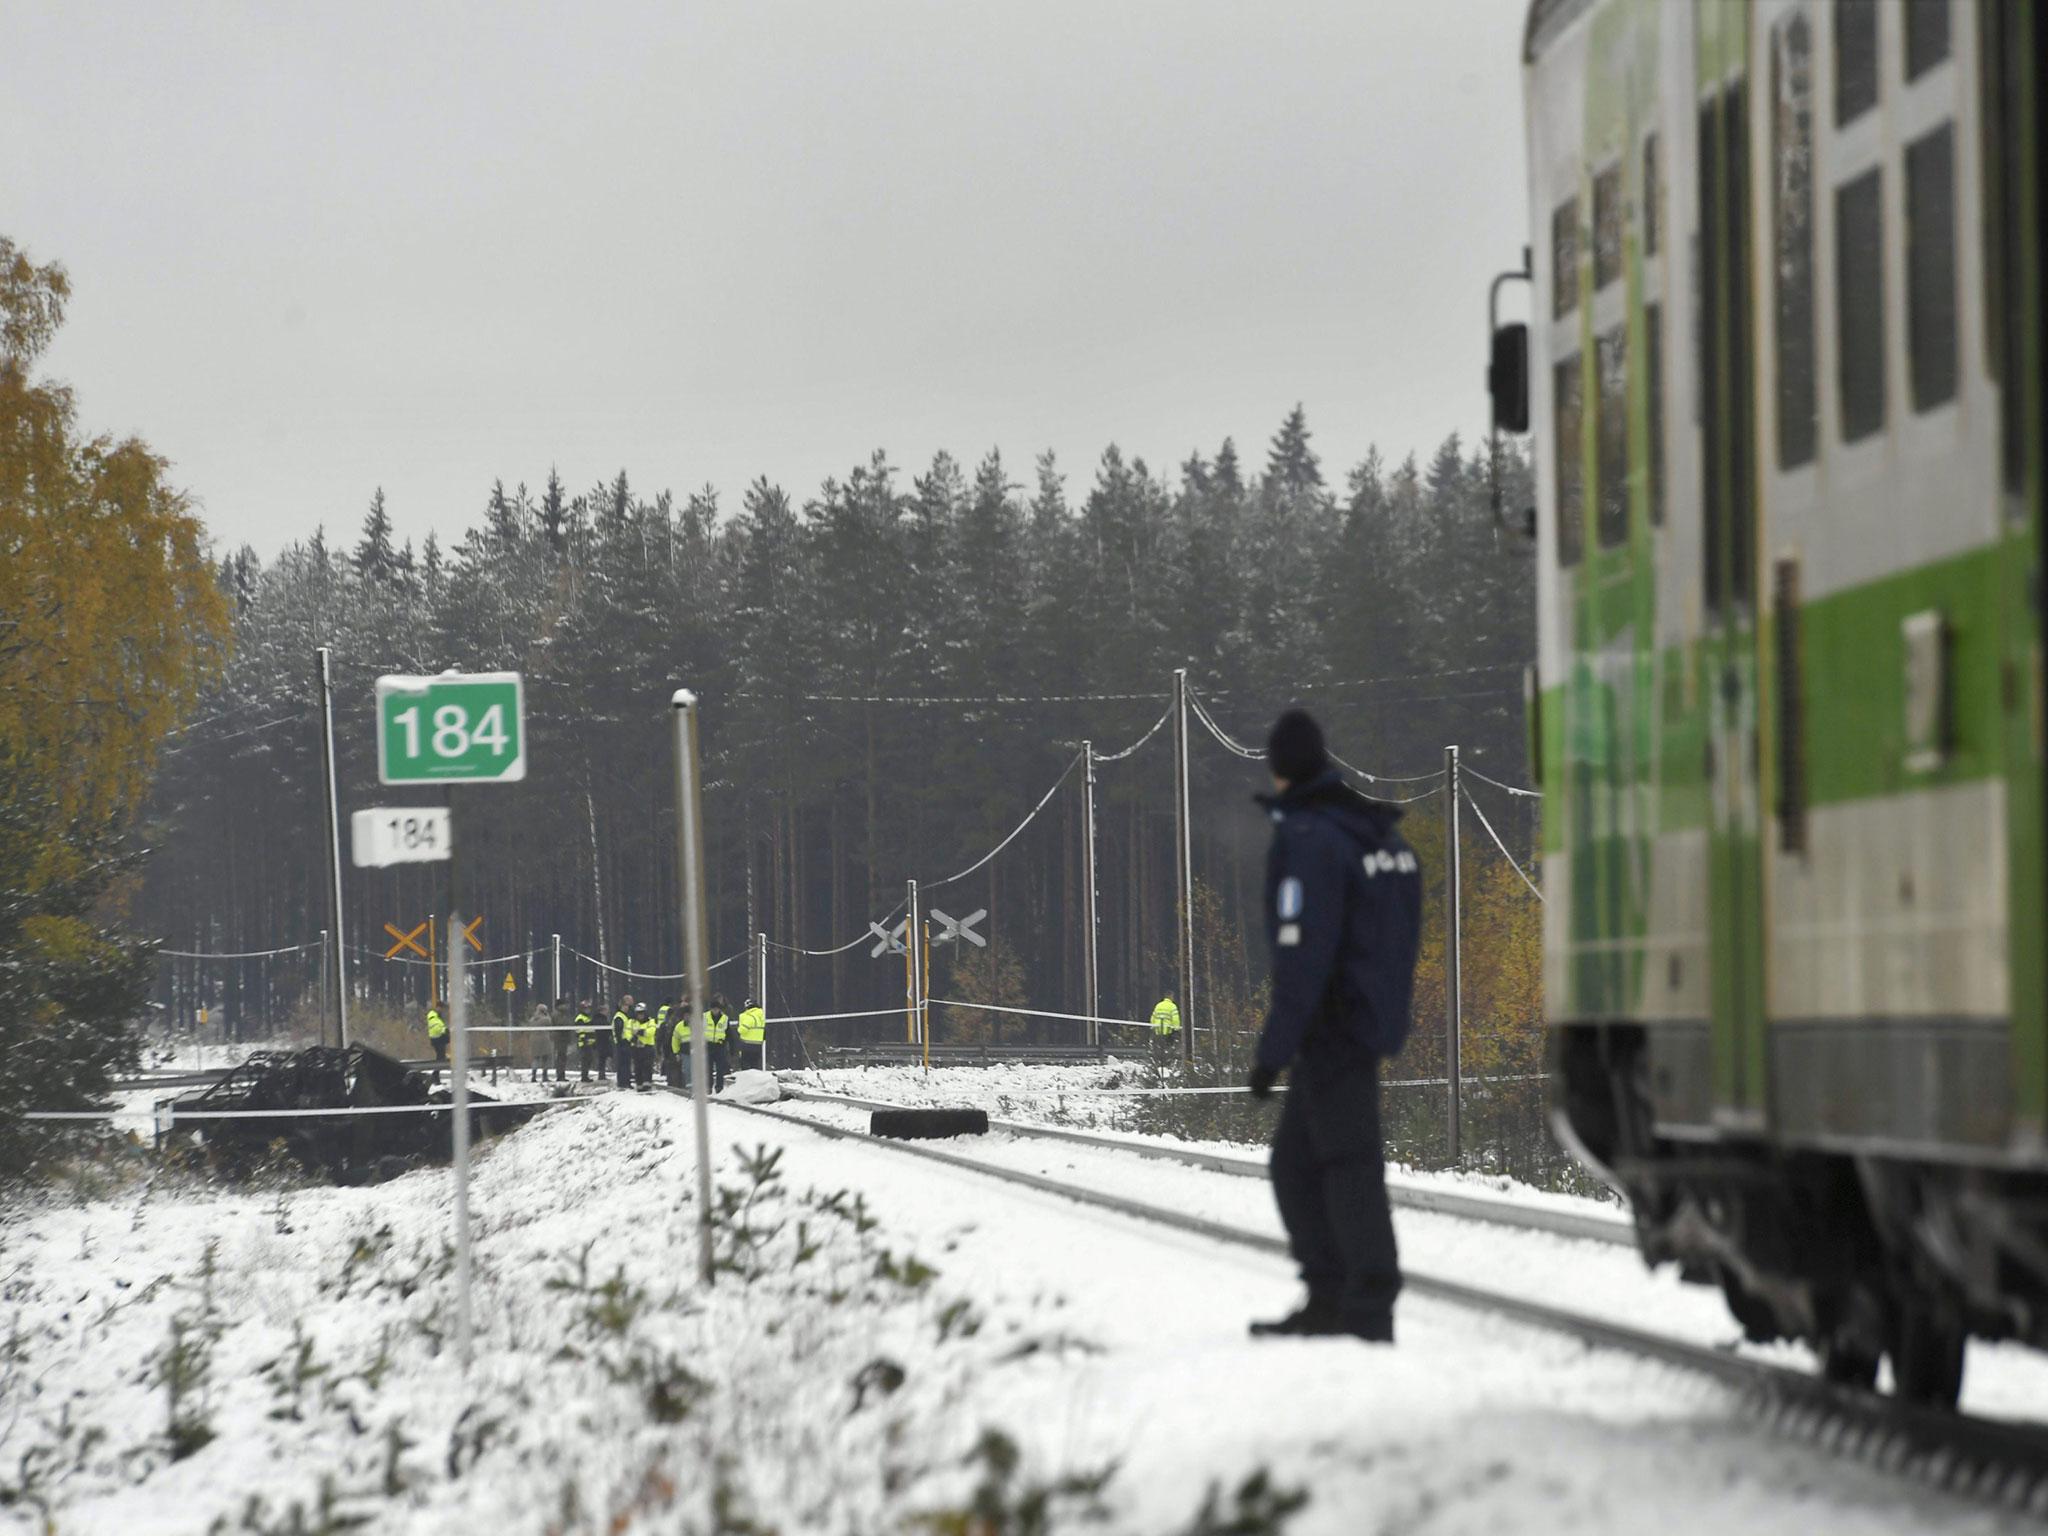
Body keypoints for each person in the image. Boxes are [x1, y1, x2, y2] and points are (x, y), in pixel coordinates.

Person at [1246, 708, 1421, 1345]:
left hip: (1333, 1031)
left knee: (1347, 1166)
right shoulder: (1380, 838)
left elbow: (1304, 952)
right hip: (1363, 1021)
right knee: (1296, 1166)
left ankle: (1367, 1308)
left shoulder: (1312, 838)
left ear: (1280, 768)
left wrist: (1274, 1051)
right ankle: (1328, 1296)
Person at [703, 997, 731, 1094]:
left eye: (716, 1008)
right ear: (710, 1009)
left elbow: (728, 1033)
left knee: (720, 1069)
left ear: (719, 1009)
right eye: (713, 1008)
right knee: (708, 1068)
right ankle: (708, 1087)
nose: (715, 1010)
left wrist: (728, 1044)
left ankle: (719, 1087)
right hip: (708, 1045)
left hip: (720, 1046)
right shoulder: (704, 1017)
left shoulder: (725, 1019)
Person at [1149, 988, 1182, 1064]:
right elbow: (1175, 1019)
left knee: (1159, 1048)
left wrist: (1152, 1027)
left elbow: (1153, 1017)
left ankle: (1158, 1062)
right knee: (1168, 1049)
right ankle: (1166, 1062)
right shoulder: (1172, 1006)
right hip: (1167, 1031)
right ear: (1171, 997)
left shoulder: (1158, 1005)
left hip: (1158, 1030)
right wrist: (1176, 1029)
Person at [630, 1000, 656, 1091]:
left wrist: (639, 1032)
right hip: (636, 1048)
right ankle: (639, 1084)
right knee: (638, 1067)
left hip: (648, 1048)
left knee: (647, 1066)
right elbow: (628, 1032)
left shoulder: (651, 1021)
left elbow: (651, 1032)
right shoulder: (632, 1022)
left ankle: (647, 1084)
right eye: (638, 1013)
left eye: (642, 1013)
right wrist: (632, 1038)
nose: (640, 1015)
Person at [735, 997, 766, 1071]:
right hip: (757, 1044)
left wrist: (738, 1027)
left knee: (745, 1065)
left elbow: (742, 1030)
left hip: (747, 1045)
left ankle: (747, 1081)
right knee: (755, 1065)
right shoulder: (760, 1016)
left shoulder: (749, 1016)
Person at [527, 997, 554, 1081]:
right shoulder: (545, 1019)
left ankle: (534, 1076)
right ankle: (544, 1076)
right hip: (544, 1040)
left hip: (533, 1040)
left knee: (536, 1058)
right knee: (546, 1058)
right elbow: (550, 1023)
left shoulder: (532, 1020)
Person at [612, 994, 637, 1089]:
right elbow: (619, 1031)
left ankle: (626, 1081)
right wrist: (621, 1043)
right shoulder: (619, 1016)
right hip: (621, 1043)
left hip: (626, 1042)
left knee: (626, 1064)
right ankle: (623, 1082)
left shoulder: (624, 1016)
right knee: (623, 1064)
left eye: (627, 1006)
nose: (627, 1008)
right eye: (625, 1006)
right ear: (621, 1006)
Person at [551, 996, 575, 1082]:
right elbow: (561, 1024)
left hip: (563, 1039)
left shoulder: (563, 1014)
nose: (566, 1006)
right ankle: (560, 1075)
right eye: (565, 1005)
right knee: (561, 1057)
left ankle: (561, 1075)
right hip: (560, 1039)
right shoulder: (557, 1014)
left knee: (563, 1057)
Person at [575, 999, 600, 1082]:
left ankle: (586, 1075)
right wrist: (584, 1040)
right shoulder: (580, 1018)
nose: (588, 1010)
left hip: (590, 1042)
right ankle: (584, 1076)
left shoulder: (588, 1018)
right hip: (584, 1043)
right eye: (586, 1008)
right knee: (585, 1060)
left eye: (589, 1008)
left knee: (589, 1059)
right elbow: (580, 1031)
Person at [667, 1004, 690, 1088]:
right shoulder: (679, 1026)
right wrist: (676, 1053)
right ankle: (688, 1088)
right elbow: (675, 1040)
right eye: (686, 1015)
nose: (687, 1017)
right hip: (685, 1052)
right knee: (687, 1070)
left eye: (689, 1015)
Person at [425, 999, 449, 1079]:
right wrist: (444, 1030)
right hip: (437, 1039)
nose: (442, 1010)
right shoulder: (433, 1015)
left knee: (441, 1057)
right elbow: (436, 1025)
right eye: (441, 1008)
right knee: (440, 1058)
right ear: (438, 1007)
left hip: (440, 1038)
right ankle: (435, 1075)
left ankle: (436, 1074)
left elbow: (440, 1025)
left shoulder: (437, 1015)